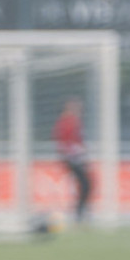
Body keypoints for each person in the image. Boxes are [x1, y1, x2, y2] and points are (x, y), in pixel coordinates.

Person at [53, 97, 92, 226]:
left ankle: (80, 212)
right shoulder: (66, 122)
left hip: (76, 158)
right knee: (85, 184)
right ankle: (78, 214)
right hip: (72, 158)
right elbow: (65, 142)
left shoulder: (74, 121)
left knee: (85, 185)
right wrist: (72, 155)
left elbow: (77, 141)